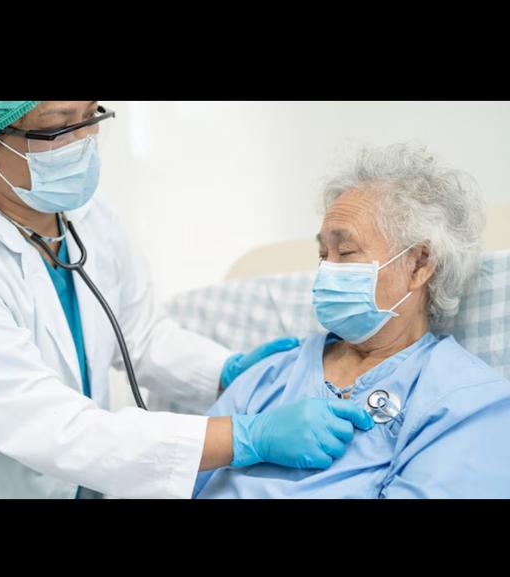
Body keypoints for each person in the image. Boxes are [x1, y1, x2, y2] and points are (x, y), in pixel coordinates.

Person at [0, 101, 373, 499]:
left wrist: (225, 371)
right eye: (58, 126)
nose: (84, 140)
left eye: (91, 115)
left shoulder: (83, 215)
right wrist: (245, 437)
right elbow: (53, 428)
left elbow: (141, 337)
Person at [195, 143, 510, 499]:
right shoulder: (270, 374)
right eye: (322, 255)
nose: (326, 270)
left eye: (345, 252)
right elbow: (174, 475)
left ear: (419, 265)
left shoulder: (466, 400)